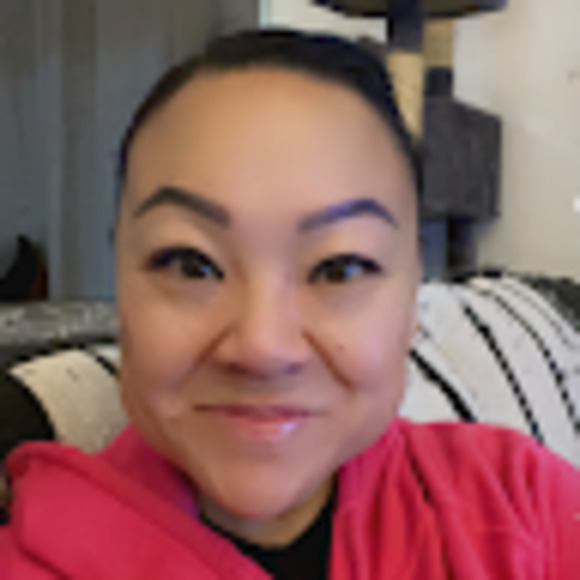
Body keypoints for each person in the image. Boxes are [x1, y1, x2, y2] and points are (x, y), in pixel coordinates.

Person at [1, 28, 579, 579]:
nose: (263, 348)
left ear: (412, 302)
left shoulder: (524, 505)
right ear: (121, 283)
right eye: (191, 264)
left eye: (339, 268)